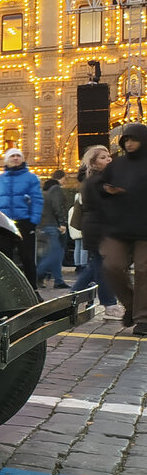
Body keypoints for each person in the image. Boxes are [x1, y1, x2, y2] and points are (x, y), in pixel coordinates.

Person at [99, 123, 147, 334]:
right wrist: (108, 192)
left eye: (133, 139)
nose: (129, 144)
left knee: (144, 271)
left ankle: (143, 318)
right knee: (112, 266)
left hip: (145, 229)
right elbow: (98, 188)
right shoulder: (116, 165)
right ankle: (131, 304)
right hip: (118, 227)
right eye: (125, 140)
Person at [70, 145, 120, 320]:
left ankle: (72, 297)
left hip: (98, 228)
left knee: (96, 267)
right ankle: (110, 305)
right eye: (103, 157)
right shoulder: (96, 182)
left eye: (108, 156)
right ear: (94, 163)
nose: (109, 159)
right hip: (98, 229)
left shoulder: (100, 179)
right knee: (103, 267)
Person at [0, 148, 42, 285]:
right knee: (5, 258)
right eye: (12, 156)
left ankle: (32, 289)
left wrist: (33, 222)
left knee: (28, 258)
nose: (15, 158)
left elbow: (37, 200)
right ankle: (7, 288)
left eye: (18, 156)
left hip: (24, 222)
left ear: (22, 159)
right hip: (3, 223)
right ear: (7, 159)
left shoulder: (31, 178)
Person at [35, 169, 69, 289]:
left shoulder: (43, 192)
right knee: (55, 254)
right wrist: (62, 223)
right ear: (62, 177)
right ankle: (36, 274)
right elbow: (58, 206)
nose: (66, 180)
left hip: (41, 226)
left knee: (50, 254)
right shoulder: (56, 189)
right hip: (51, 225)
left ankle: (58, 280)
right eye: (65, 178)